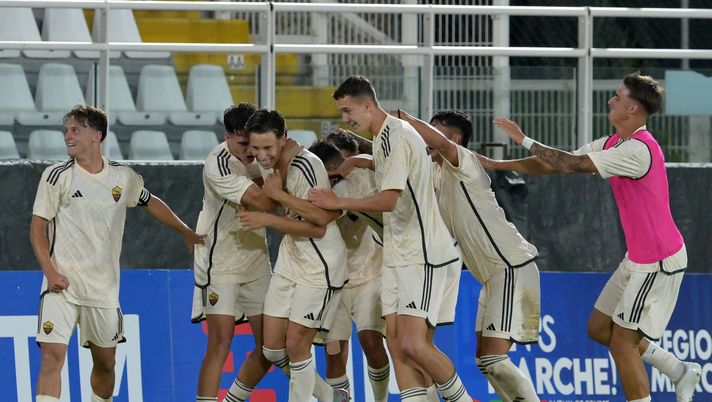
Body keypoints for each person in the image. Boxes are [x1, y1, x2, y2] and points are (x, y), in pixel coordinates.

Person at [482, 72, 701, 402]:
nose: (611, 100)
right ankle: (678, 370)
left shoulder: (640, 150)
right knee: (600, 329)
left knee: (622, 343)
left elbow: (570, 165)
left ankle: (673, 377)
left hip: (658, 261)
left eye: (618, 96)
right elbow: (556, 163)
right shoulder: (613, 142)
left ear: (633, 109)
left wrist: (524, 139)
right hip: (638, 258)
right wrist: (495, 164)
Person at [309, 75, 472, 402]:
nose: (345, 119)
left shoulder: (395, 135)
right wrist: (358, 159)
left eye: (347, 110)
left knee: (413, 344)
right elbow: (398, 169)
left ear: (367, 104)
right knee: (398, 346)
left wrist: (338, 201)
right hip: (399, 255)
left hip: (422, 254)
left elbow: (389, 200)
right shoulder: (386, 137)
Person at [30, 105, 205, 402]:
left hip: (103, 289)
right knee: (52, 357)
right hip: (62, 285)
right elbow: (36, 229)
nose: (68, 136)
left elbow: (150, 201)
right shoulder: (56, 176)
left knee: (106, 365)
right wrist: (50, 272)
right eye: (67, 130)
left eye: (75, 130)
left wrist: (185, 231)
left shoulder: (122, 178)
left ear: (96, 136)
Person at [395, 109, 540, 401]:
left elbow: (444, 147)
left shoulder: (464, 160)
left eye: (434, 130)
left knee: (496, 361)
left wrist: (402, 118)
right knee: (487, 362)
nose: (427, 137)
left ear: (456, 137)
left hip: (510, 266)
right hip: (493, 277)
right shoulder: (434, 173)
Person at [237, 109, 349, 402]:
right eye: (255, 147)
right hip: (291, 259)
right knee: (273, 348)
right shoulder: (268, 163)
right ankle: (329, 396)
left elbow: (320, 225)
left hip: (320, 265)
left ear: (284, 140)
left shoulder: (307, 166)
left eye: (267, 148)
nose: (261, 155)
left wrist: (270, 213)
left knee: (298, 346)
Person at [193, 103, 283, 402]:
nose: (252, 152)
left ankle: (232, 399)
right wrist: (274, 183)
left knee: (270, 347)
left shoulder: (262, 153)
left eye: (255, 143)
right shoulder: (217, 164)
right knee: (220, 343)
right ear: (228, 136)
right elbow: (264, 203)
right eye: (244, 144)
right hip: (220, 264)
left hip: (257, 262)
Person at [310, 139, 390, 402]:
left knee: (370, 339)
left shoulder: (365, 179)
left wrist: (361, 160)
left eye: (348, 161)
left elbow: (401, 162)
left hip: (370, 271)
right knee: (334, 352)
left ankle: (380, 399)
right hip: (333, 279)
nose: (343, 170)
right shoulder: (315, 190)